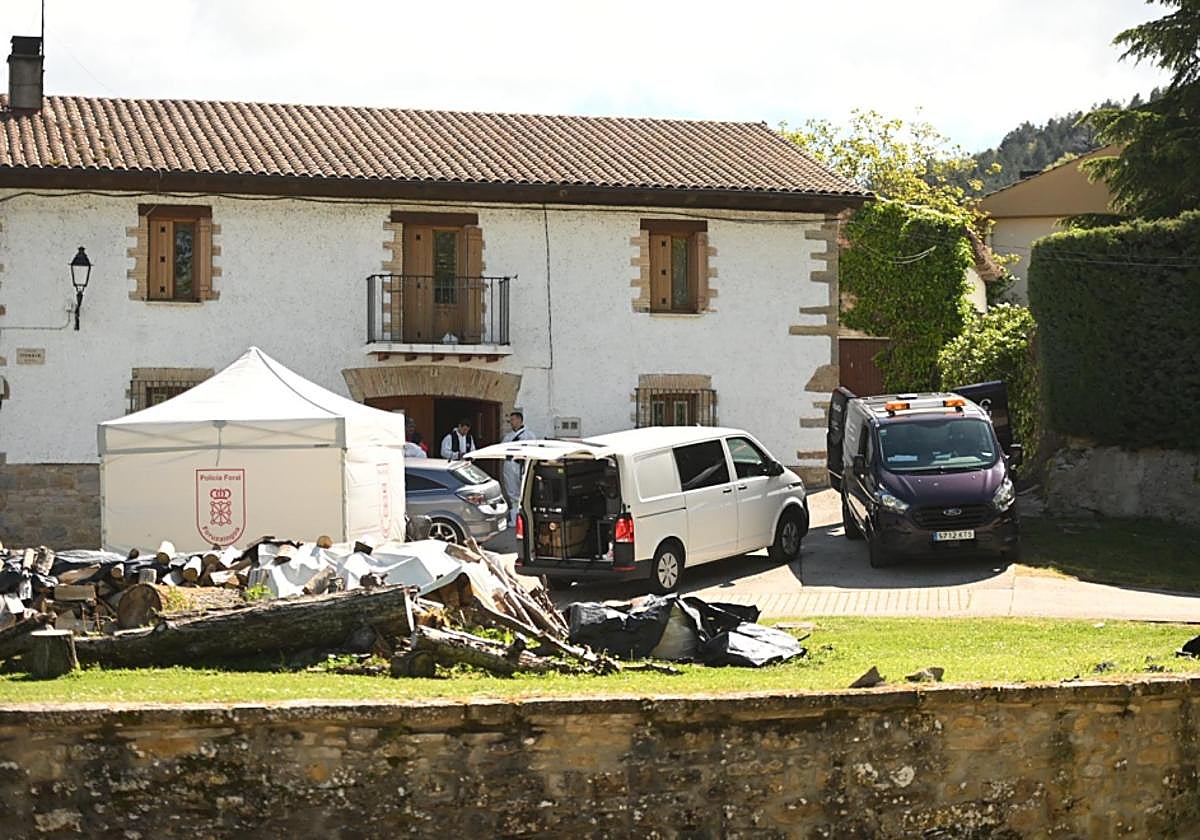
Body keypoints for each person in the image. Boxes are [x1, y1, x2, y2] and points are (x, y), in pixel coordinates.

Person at [500, 411, 536, 525]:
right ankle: (515, 519)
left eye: (514, 420)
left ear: (520, 420)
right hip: (510, 465)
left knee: (524, 491)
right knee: (512, 492)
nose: (512, 422)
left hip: (521, 465)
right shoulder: (508, 437)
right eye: (510, 420)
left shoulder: (529, 435)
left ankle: (525, 519)